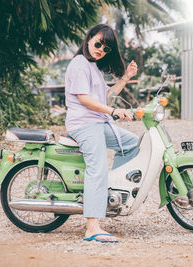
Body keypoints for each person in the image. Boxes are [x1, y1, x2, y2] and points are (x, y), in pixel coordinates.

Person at [64, 24, 139, 243]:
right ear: (89, 39)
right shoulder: (79, 64)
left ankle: (109, 191)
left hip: (98, 122)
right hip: (84, 124)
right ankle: (92, 227)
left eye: (106, 49)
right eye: (98, 43)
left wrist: (125, 78)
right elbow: (84, 99)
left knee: (132, 144)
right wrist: (115, 112)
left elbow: (103, 95)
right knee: (97, 168)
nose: (100, 50)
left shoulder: (93, 66)